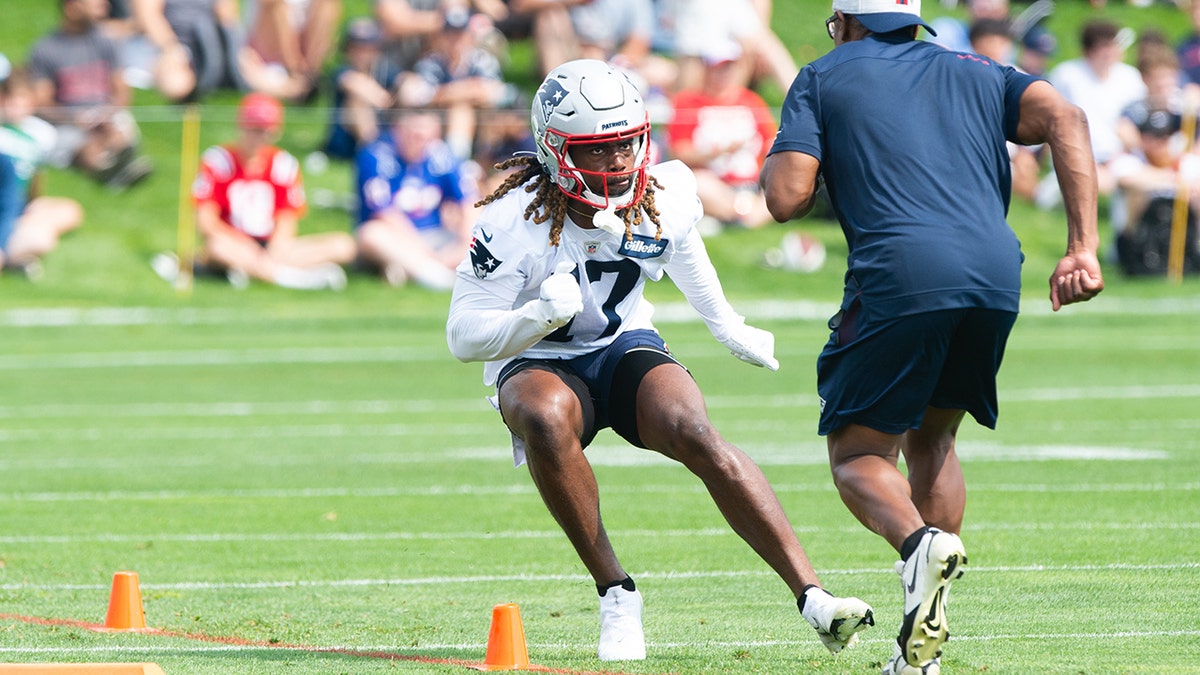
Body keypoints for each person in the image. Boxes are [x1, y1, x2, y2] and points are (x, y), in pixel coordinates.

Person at [446, 59, 875, 663]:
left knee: (693, 428)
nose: (617, 163)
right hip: (538, 355)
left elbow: (683, 253)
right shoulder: (510, 219)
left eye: (625, 145)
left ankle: (813, 595)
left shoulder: (665, 189)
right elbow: (462, 336)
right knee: (543, 415)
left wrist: (727, 326)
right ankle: (616, 593)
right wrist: (533, 317)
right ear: (554, 150)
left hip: (620, 342)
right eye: (595, 152)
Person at [759, 0, 1104, 673]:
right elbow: (1067, 116)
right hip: (997, 270)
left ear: (848, 23)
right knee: (934, 436)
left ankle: (921, 544)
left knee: (858, 455)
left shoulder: (823, 76)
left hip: (903, 270)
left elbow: (785, 197)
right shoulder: (980, 68)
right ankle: (920, 657)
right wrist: (1082, 247)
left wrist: (793, 151)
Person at [154, 93, 355, 290]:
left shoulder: (284, 164)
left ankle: (250, 272)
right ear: (241, 126)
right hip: (233, 243)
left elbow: (286, 220)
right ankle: (294, 279)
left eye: (264, 130)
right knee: (217, 247)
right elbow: (206, 223)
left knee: (344, 245)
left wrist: (275, 250)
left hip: (271, 246)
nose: (258, 137)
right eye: (253, 129)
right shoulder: (218, 161)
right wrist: (245, 245)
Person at [27, 0, 154, 190]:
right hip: (68, 122)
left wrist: (108, 114)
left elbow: (121, 90)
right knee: (84, 147)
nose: (103, 5)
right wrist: (75, 119)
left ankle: (114, 167)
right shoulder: (46, 49)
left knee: (117, 133)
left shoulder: (107, 43)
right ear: (72, 8)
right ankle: (112, 171)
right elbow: (42, 102)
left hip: (105, 116)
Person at [353, 109, 475, 289]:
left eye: (426, 135)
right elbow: (384, 213)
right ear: (397, 130)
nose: (419, 141)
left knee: (482, 227)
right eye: (413, 134)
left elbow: (470, 203)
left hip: (437, 235)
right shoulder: (376, 156)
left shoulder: (441, 155)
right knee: (370, 233)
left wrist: (465, 241)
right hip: (398, 238)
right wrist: (422, 250)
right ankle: (437, 278)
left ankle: (406, 270)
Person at [665, 38, 777, 229]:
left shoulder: (751, 101)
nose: (725, 74)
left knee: (780, 180)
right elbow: (679, 152)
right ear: (707, 68)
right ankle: (743, 215)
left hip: (752, 182)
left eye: (729, 67)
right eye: (720, 67)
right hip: (714, 182)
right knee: (697, 183)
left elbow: (771, 142)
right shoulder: (687, 102)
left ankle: (738, 215)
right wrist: (717, 152)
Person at [1044, 20, 1146, 205]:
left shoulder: (1130, 77)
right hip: (1075, 154)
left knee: (1135, 177)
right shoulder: (1066, 75)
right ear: (1088, 51)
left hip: (1119, 156)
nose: (1109, 53)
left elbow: (1138, 121)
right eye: (1102, 48)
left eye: (1112, 46)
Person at [397, 6, 516, 159]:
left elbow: (496, 93)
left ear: (469, 36)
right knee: (458, 110)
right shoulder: (430, 62)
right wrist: (468, 89)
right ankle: (457, 163)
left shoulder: (482, 60)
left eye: (460, 34)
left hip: (482, 122)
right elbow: (421, 96)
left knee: (464, 110)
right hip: (440, 122)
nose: (455, 40)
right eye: (450, 34)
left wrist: (446, 93)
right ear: (441, 37)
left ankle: (464, 161)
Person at [0, 68, 85, 280]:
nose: (16, 106)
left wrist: (33, 203)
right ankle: (14, 257)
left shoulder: (41, 134)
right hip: (5, 206)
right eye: (11, 100)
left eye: (22, 100)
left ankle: (14, 252)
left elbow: (37, 176)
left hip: (18, 205)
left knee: (70, 210)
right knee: (41, 238)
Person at [323, 16, 401, 160]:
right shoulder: (341, 71)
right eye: (356, 48)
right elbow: (354, 83)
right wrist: (386, 100)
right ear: (347, 50)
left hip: (383, 133)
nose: (362, 54)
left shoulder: (385, 71)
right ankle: (373, 152)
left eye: (367, 49)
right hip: (343, 144)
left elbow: (404, 82)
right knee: (357, 102)